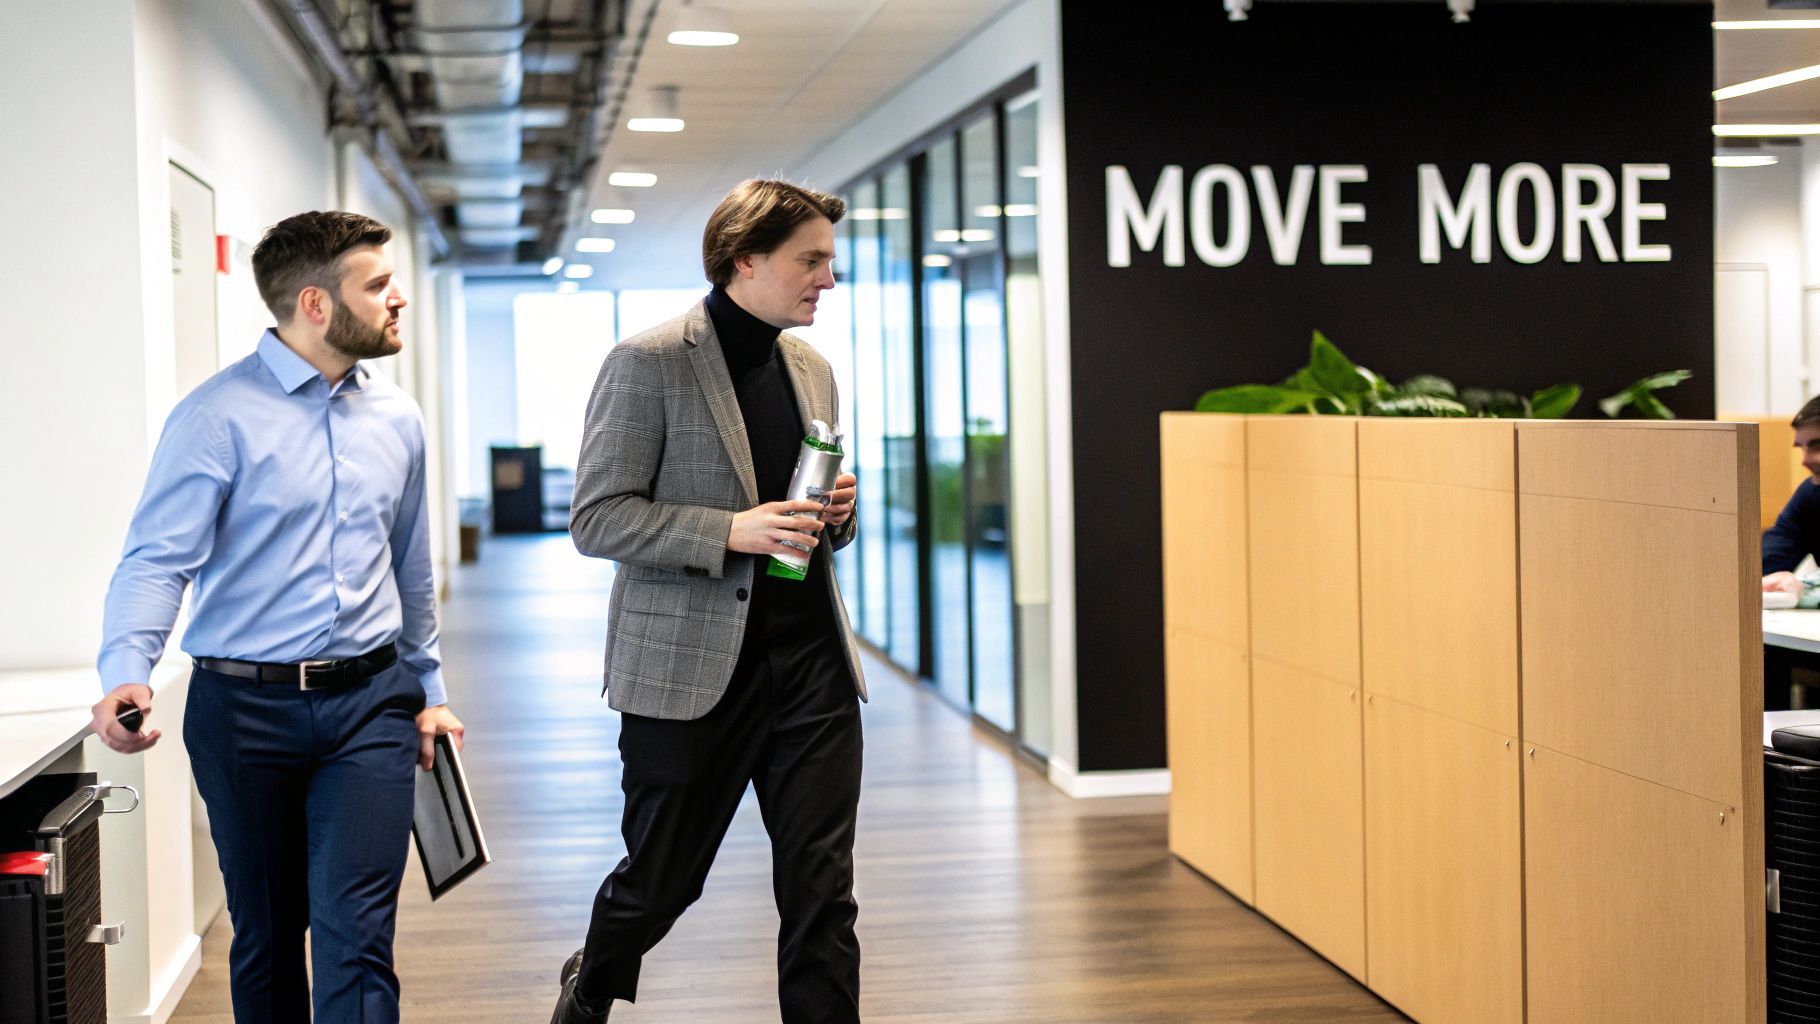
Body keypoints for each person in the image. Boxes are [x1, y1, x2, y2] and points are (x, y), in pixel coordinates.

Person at [90, 210, 464, 1023]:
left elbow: (409, 567)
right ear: (316, 304)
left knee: (357, 936)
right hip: (243, 713)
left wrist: (428, 688)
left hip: (371, 706)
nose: (397, 299)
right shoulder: (215, 418)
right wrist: (128, 673)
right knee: (266, 932)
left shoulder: (398, 420)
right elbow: (157, 561)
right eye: (377, 285)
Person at [551, 179, 866, 1023]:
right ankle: (590, 986)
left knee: (822, 893)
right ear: (744, 259)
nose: (827, 280)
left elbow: (807, 512)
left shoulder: (813, 368)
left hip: (811, 670)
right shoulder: (647, 362)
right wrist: (731, 530)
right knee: (660, 885)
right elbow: (595, 518)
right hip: (690, 676)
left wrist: (838, 512)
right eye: (811, 261)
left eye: (829, 263)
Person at [1763, 395, 1820, 597]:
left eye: (1817, 445)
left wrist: (1806, 587)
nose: (1805, 460)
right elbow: (1772, 555)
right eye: (1802, 447)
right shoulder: (1811, 493)